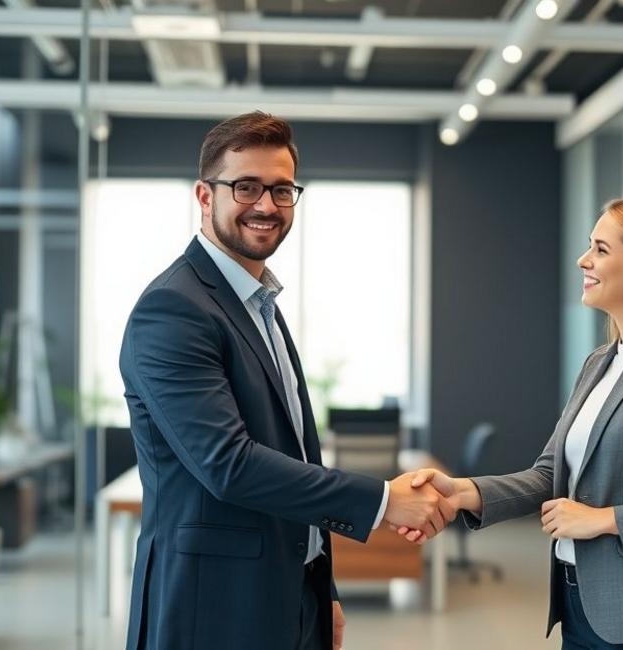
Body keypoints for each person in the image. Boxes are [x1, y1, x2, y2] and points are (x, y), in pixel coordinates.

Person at [119, 111, 453, 650]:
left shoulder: (260, 305)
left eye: (281, 189)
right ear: (205, 197)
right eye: (245, 187)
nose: (266, 206)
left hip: (290, 592)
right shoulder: (173, 309)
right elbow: (229, 465)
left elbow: (297, 454)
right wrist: (384, 501)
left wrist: (324, 586)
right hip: (215, 607)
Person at [401, 197, 623, 649]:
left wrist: (605, 520)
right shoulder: (600, 362)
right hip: (579, 604)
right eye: (590, 246)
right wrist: (464, 492)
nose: (583, 260)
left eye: (602, 250)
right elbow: (551, 476)